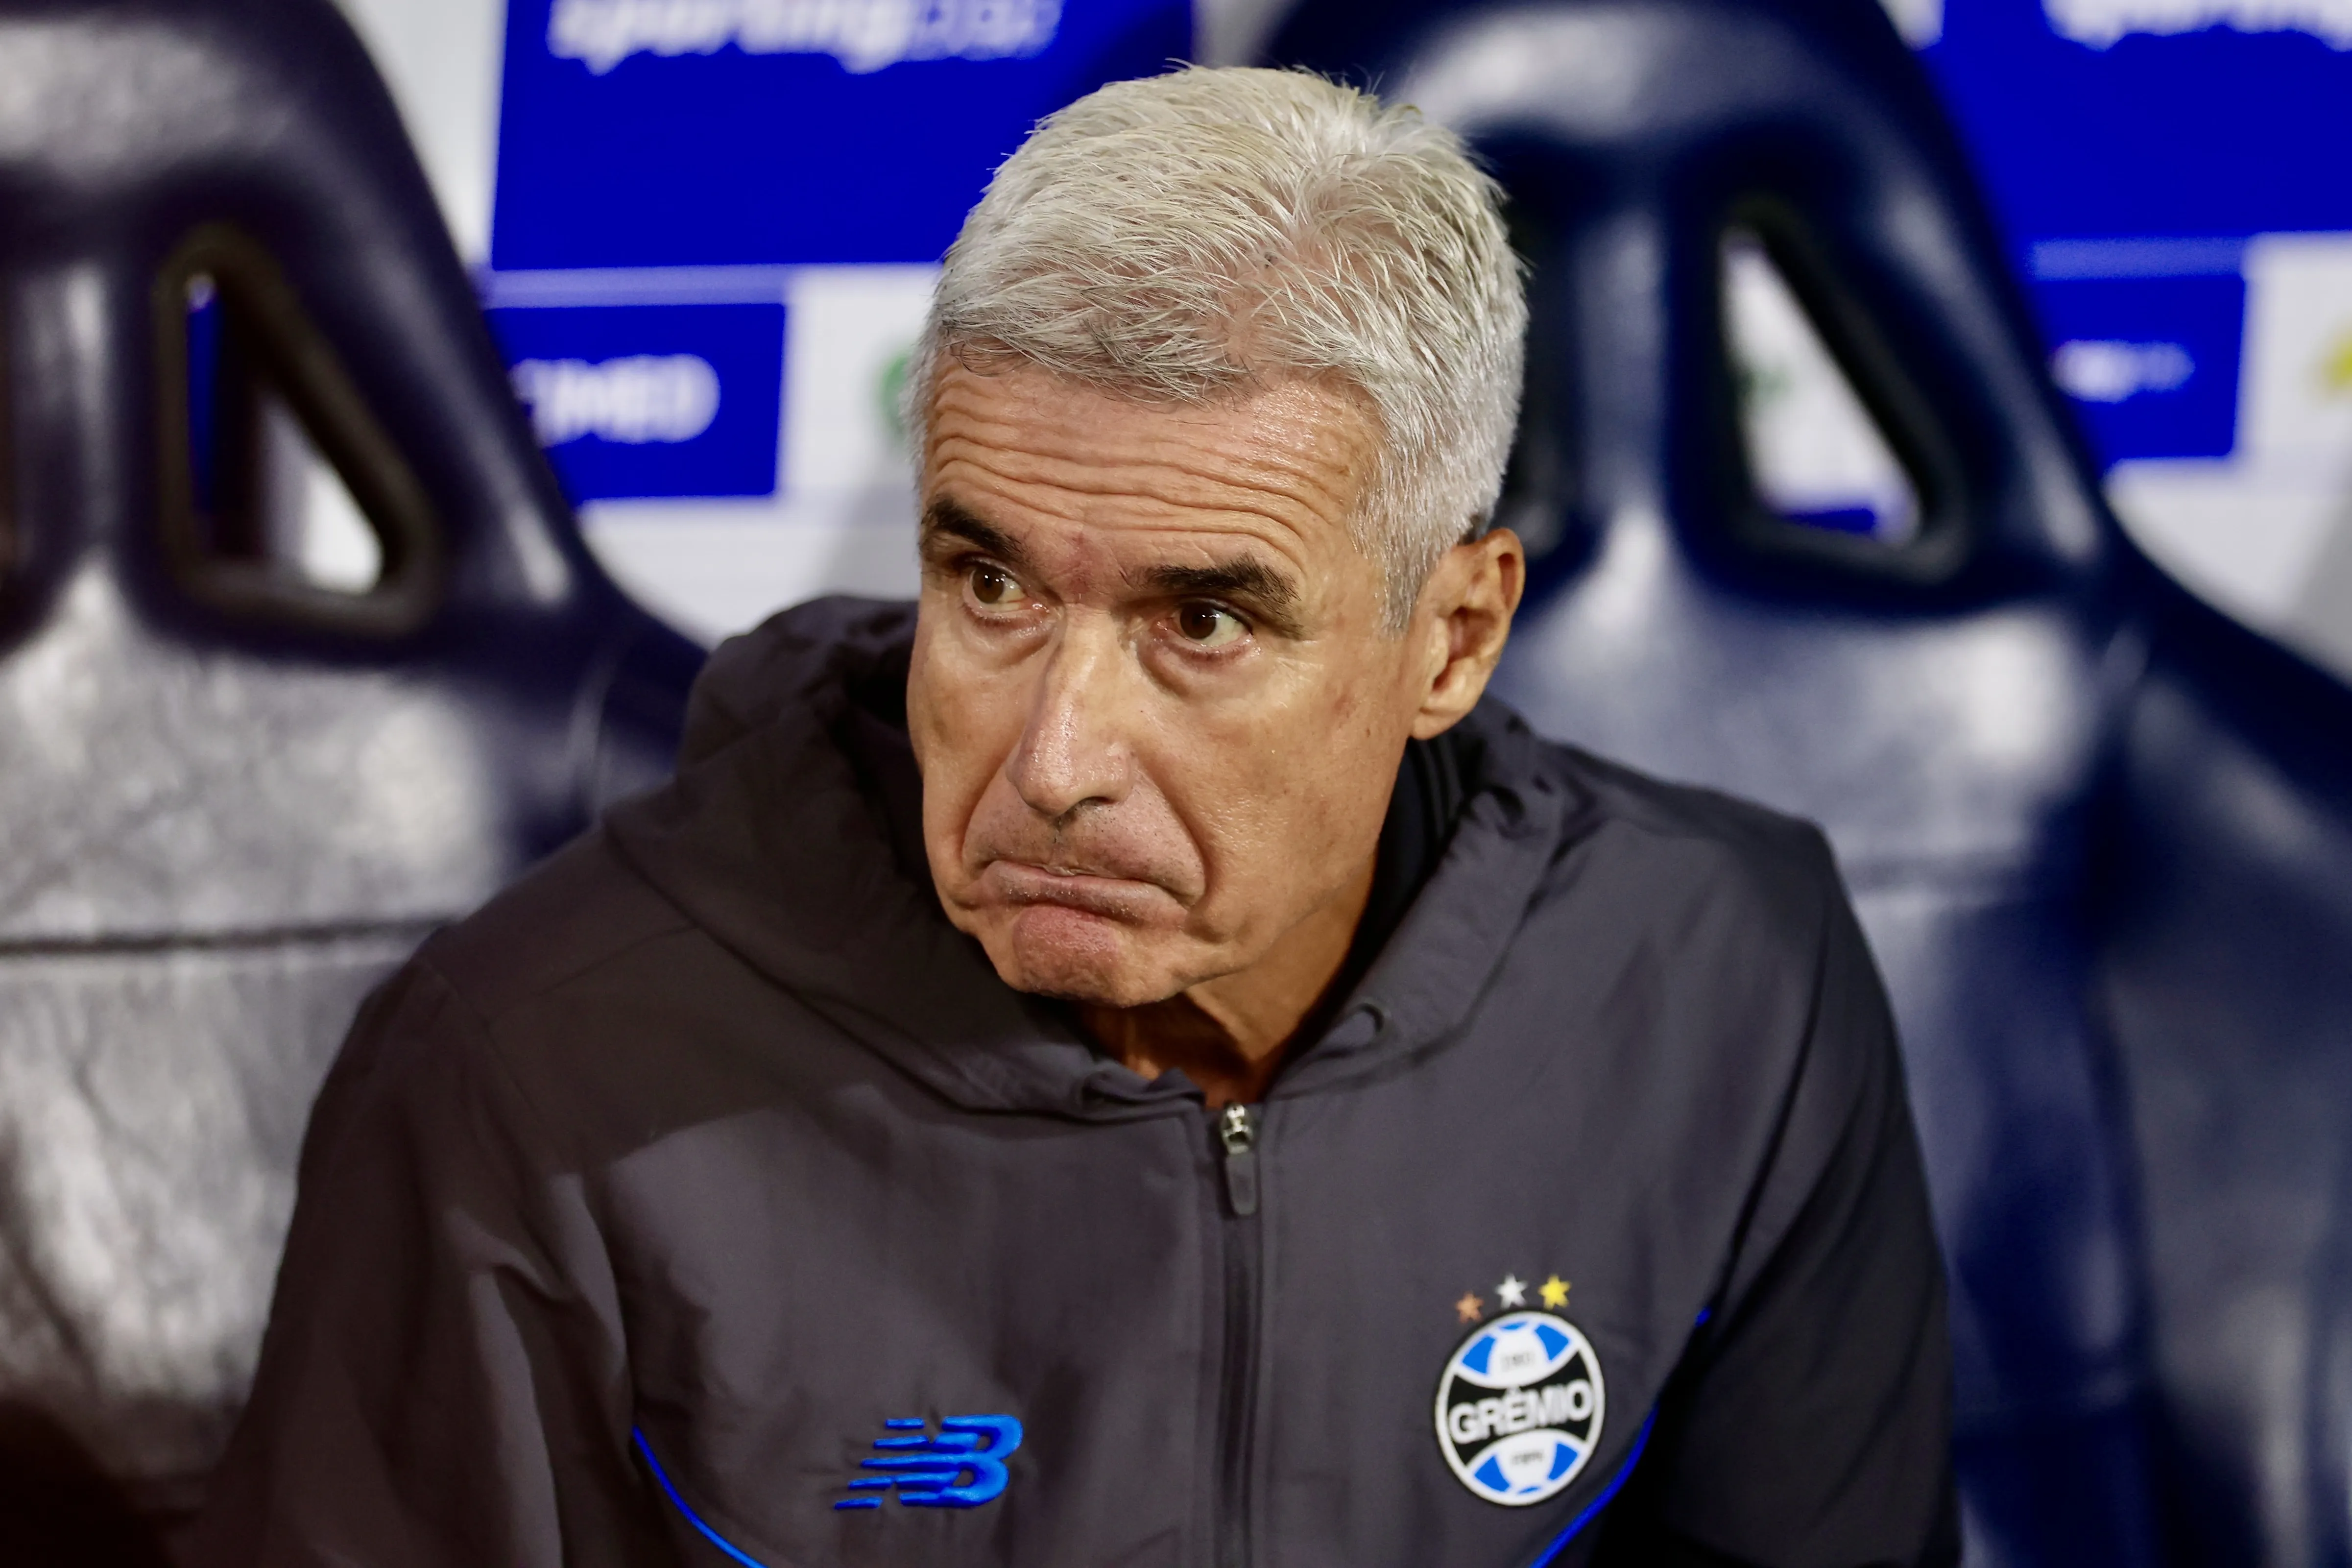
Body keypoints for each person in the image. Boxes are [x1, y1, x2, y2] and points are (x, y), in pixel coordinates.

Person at [190, 66, 1955, 1568]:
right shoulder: (521, 1075)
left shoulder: (1730, 982)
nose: (1054, 757)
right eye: (992, 584)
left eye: (1204, 622)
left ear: (1455, 635)